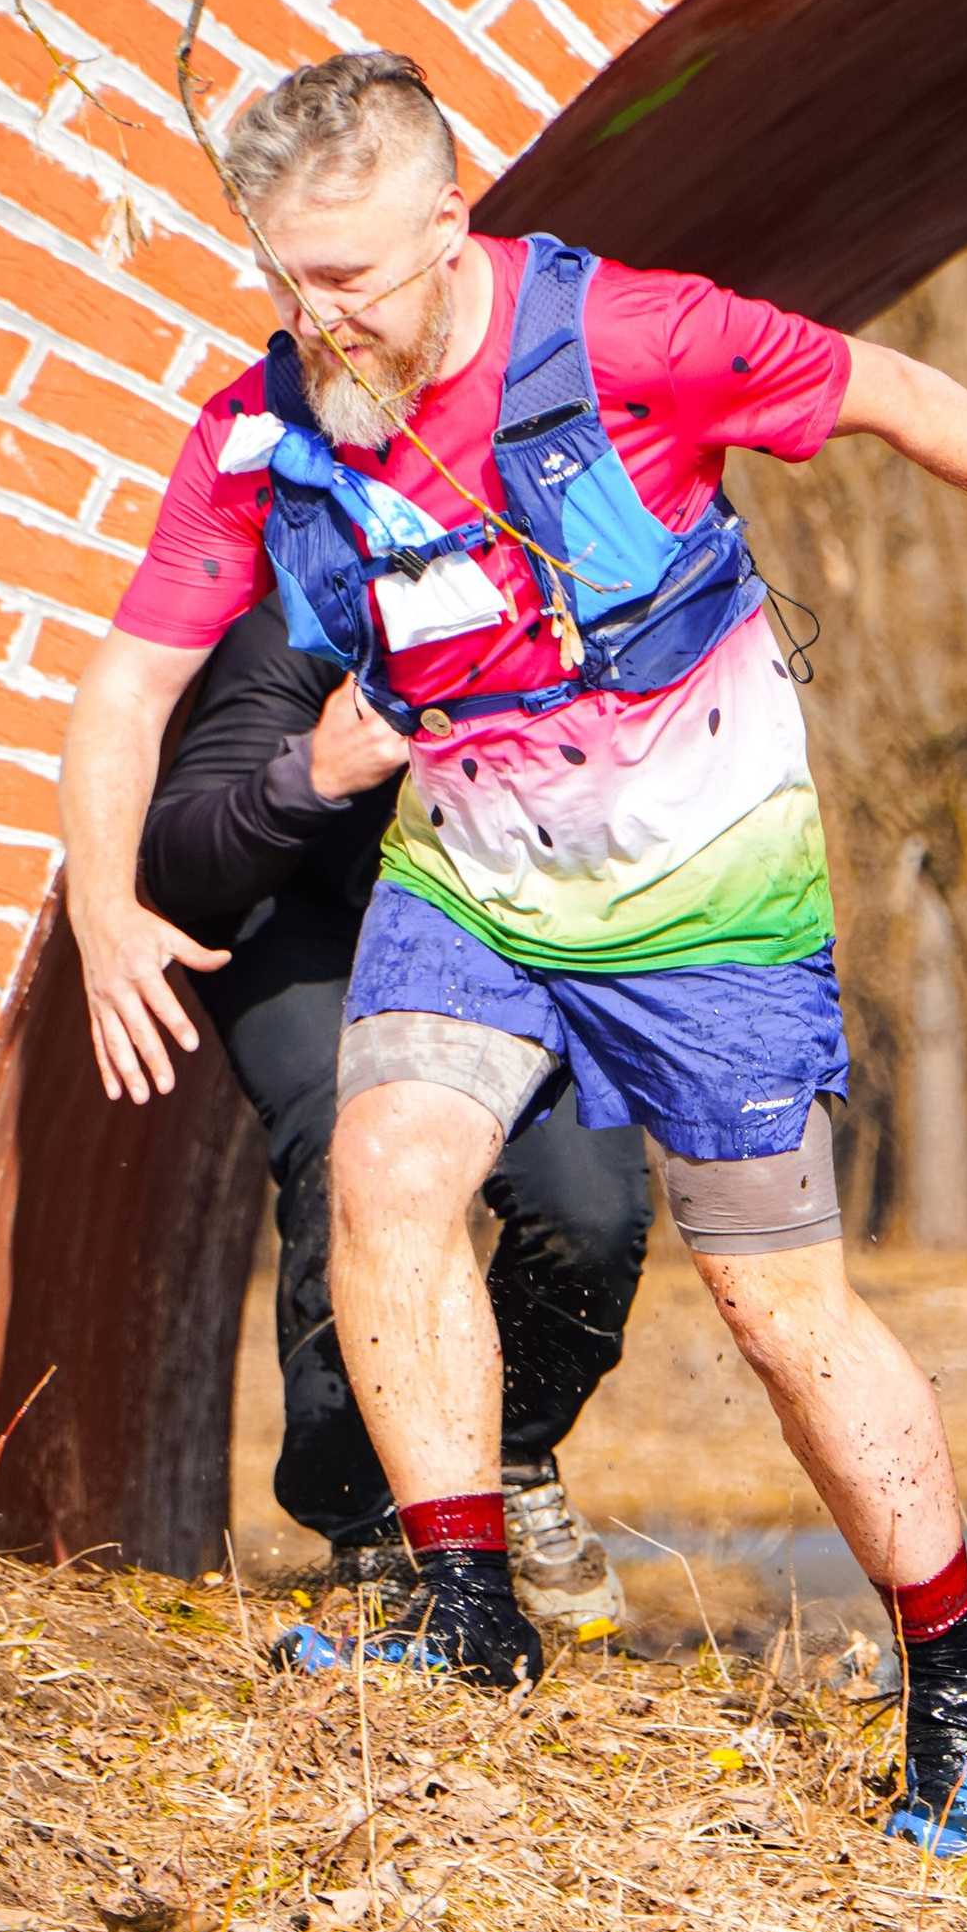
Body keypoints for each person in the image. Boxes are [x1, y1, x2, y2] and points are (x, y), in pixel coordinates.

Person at [61, 50, 967, 1852]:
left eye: (349, 273)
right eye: (284, 274)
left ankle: (964, 1660)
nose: (317, 314)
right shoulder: (262, 433)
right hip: (477, 880)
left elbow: (887, 389)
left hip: (705, 893)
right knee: (387, 1166)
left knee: (776, 1307)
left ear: (450, 224)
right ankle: (463, 1606)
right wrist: (106, 899)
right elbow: (126, 684)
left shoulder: (635, 337)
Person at [128, 588, 647, 1640]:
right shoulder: (307, 629)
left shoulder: (601, 628)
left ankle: (502, 1454)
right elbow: (176, 860)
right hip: (303, 919)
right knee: (349, 1146)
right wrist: (310, 776)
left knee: (590, 1210)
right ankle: (367, 1520)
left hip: (490, 926)